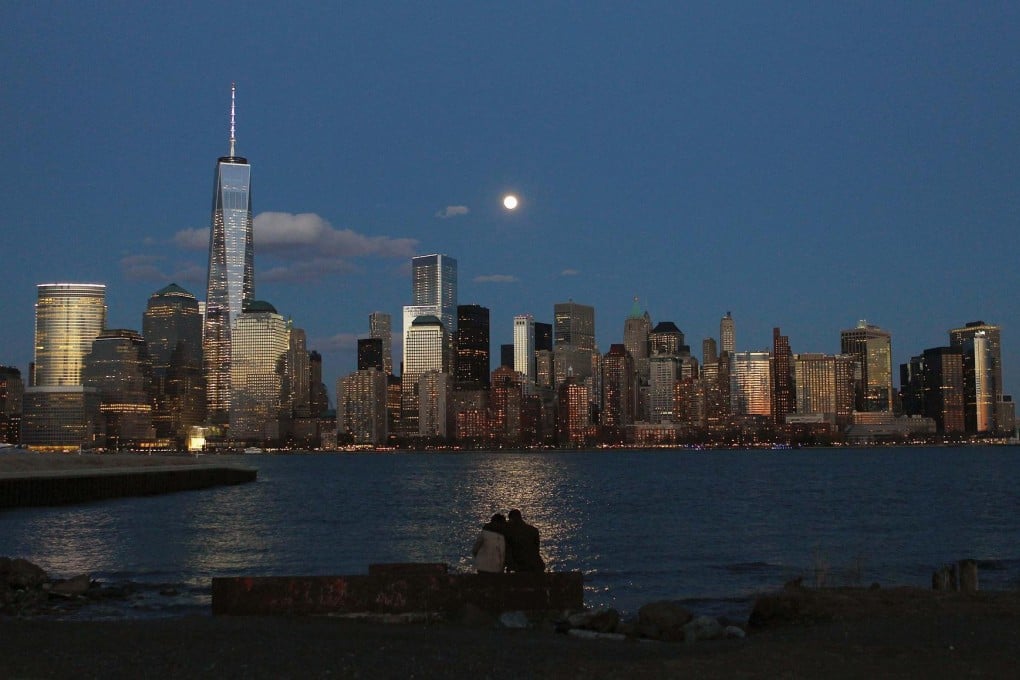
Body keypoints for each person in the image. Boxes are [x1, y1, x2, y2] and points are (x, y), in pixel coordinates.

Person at [503, 508, 545, 572]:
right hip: (537, 565)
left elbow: (508, 553)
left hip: (522, 566)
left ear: (511, 520)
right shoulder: (533, 530)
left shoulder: (510, 532)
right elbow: (536, 549)